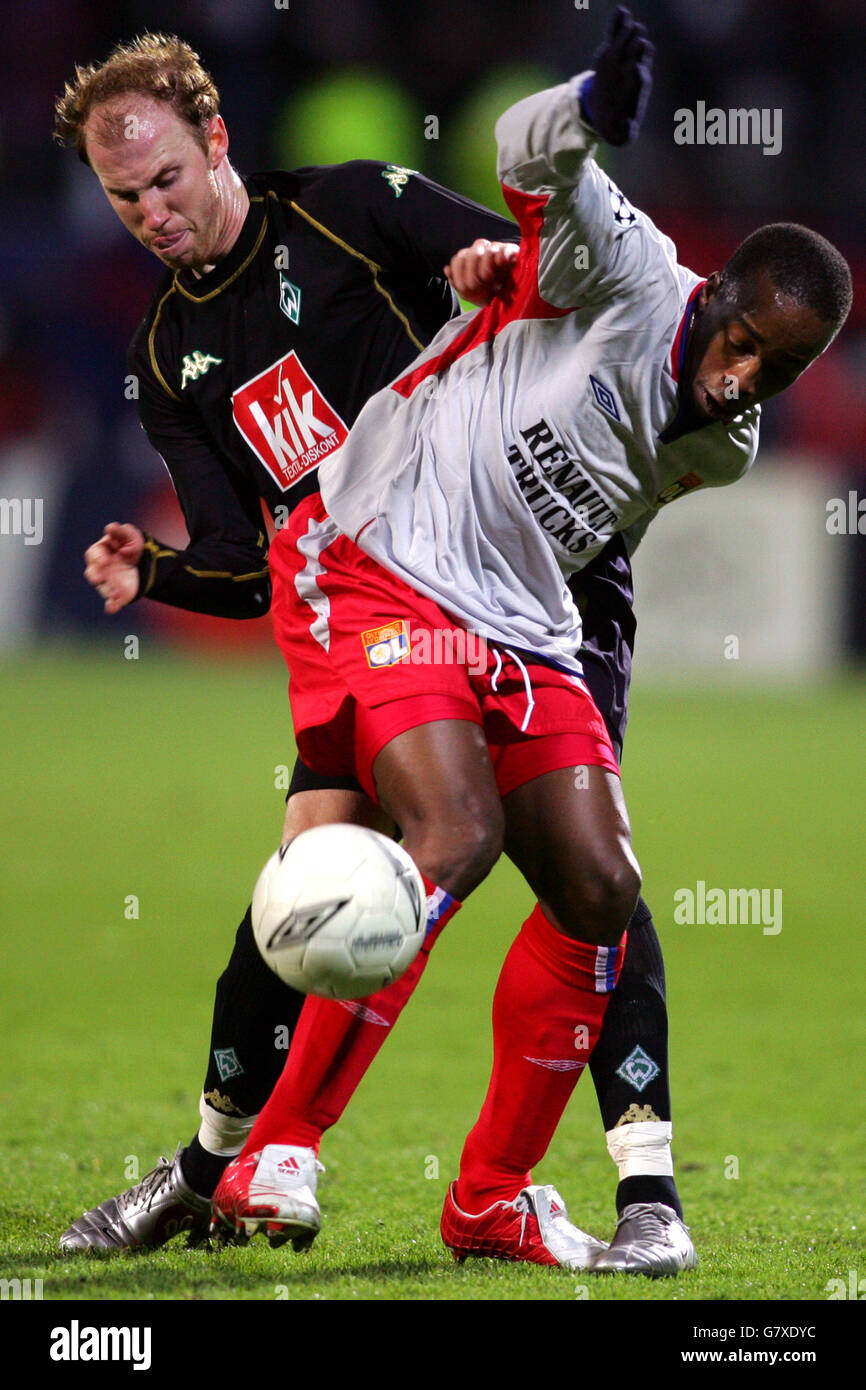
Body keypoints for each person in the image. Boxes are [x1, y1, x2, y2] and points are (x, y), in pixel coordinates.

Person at [209, 7, 851, 1273]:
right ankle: (272, 1148)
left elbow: (578, 520)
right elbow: (522, 151)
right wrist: (585, 111)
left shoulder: (722, 447)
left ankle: (489, 1201)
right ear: (712, 291)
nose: (739, 379)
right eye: (738, 341)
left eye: (775, 371)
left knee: (603, 887)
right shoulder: (629, 267)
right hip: (387, 558)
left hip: (519, 617)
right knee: (454, 832)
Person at [55, 27, 688, 1275]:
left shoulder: (352, 206)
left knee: (589, 868)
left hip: (537, 576)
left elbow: (534, 275)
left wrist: (484, 258)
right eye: (124, 197)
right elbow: (246, 560)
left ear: (218, 140)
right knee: (300, 883)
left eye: (167, 180)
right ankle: (211, 1164)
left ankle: (644, 1179)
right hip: (370, 612)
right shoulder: (170, 367)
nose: (151, 213)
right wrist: (166, 570)